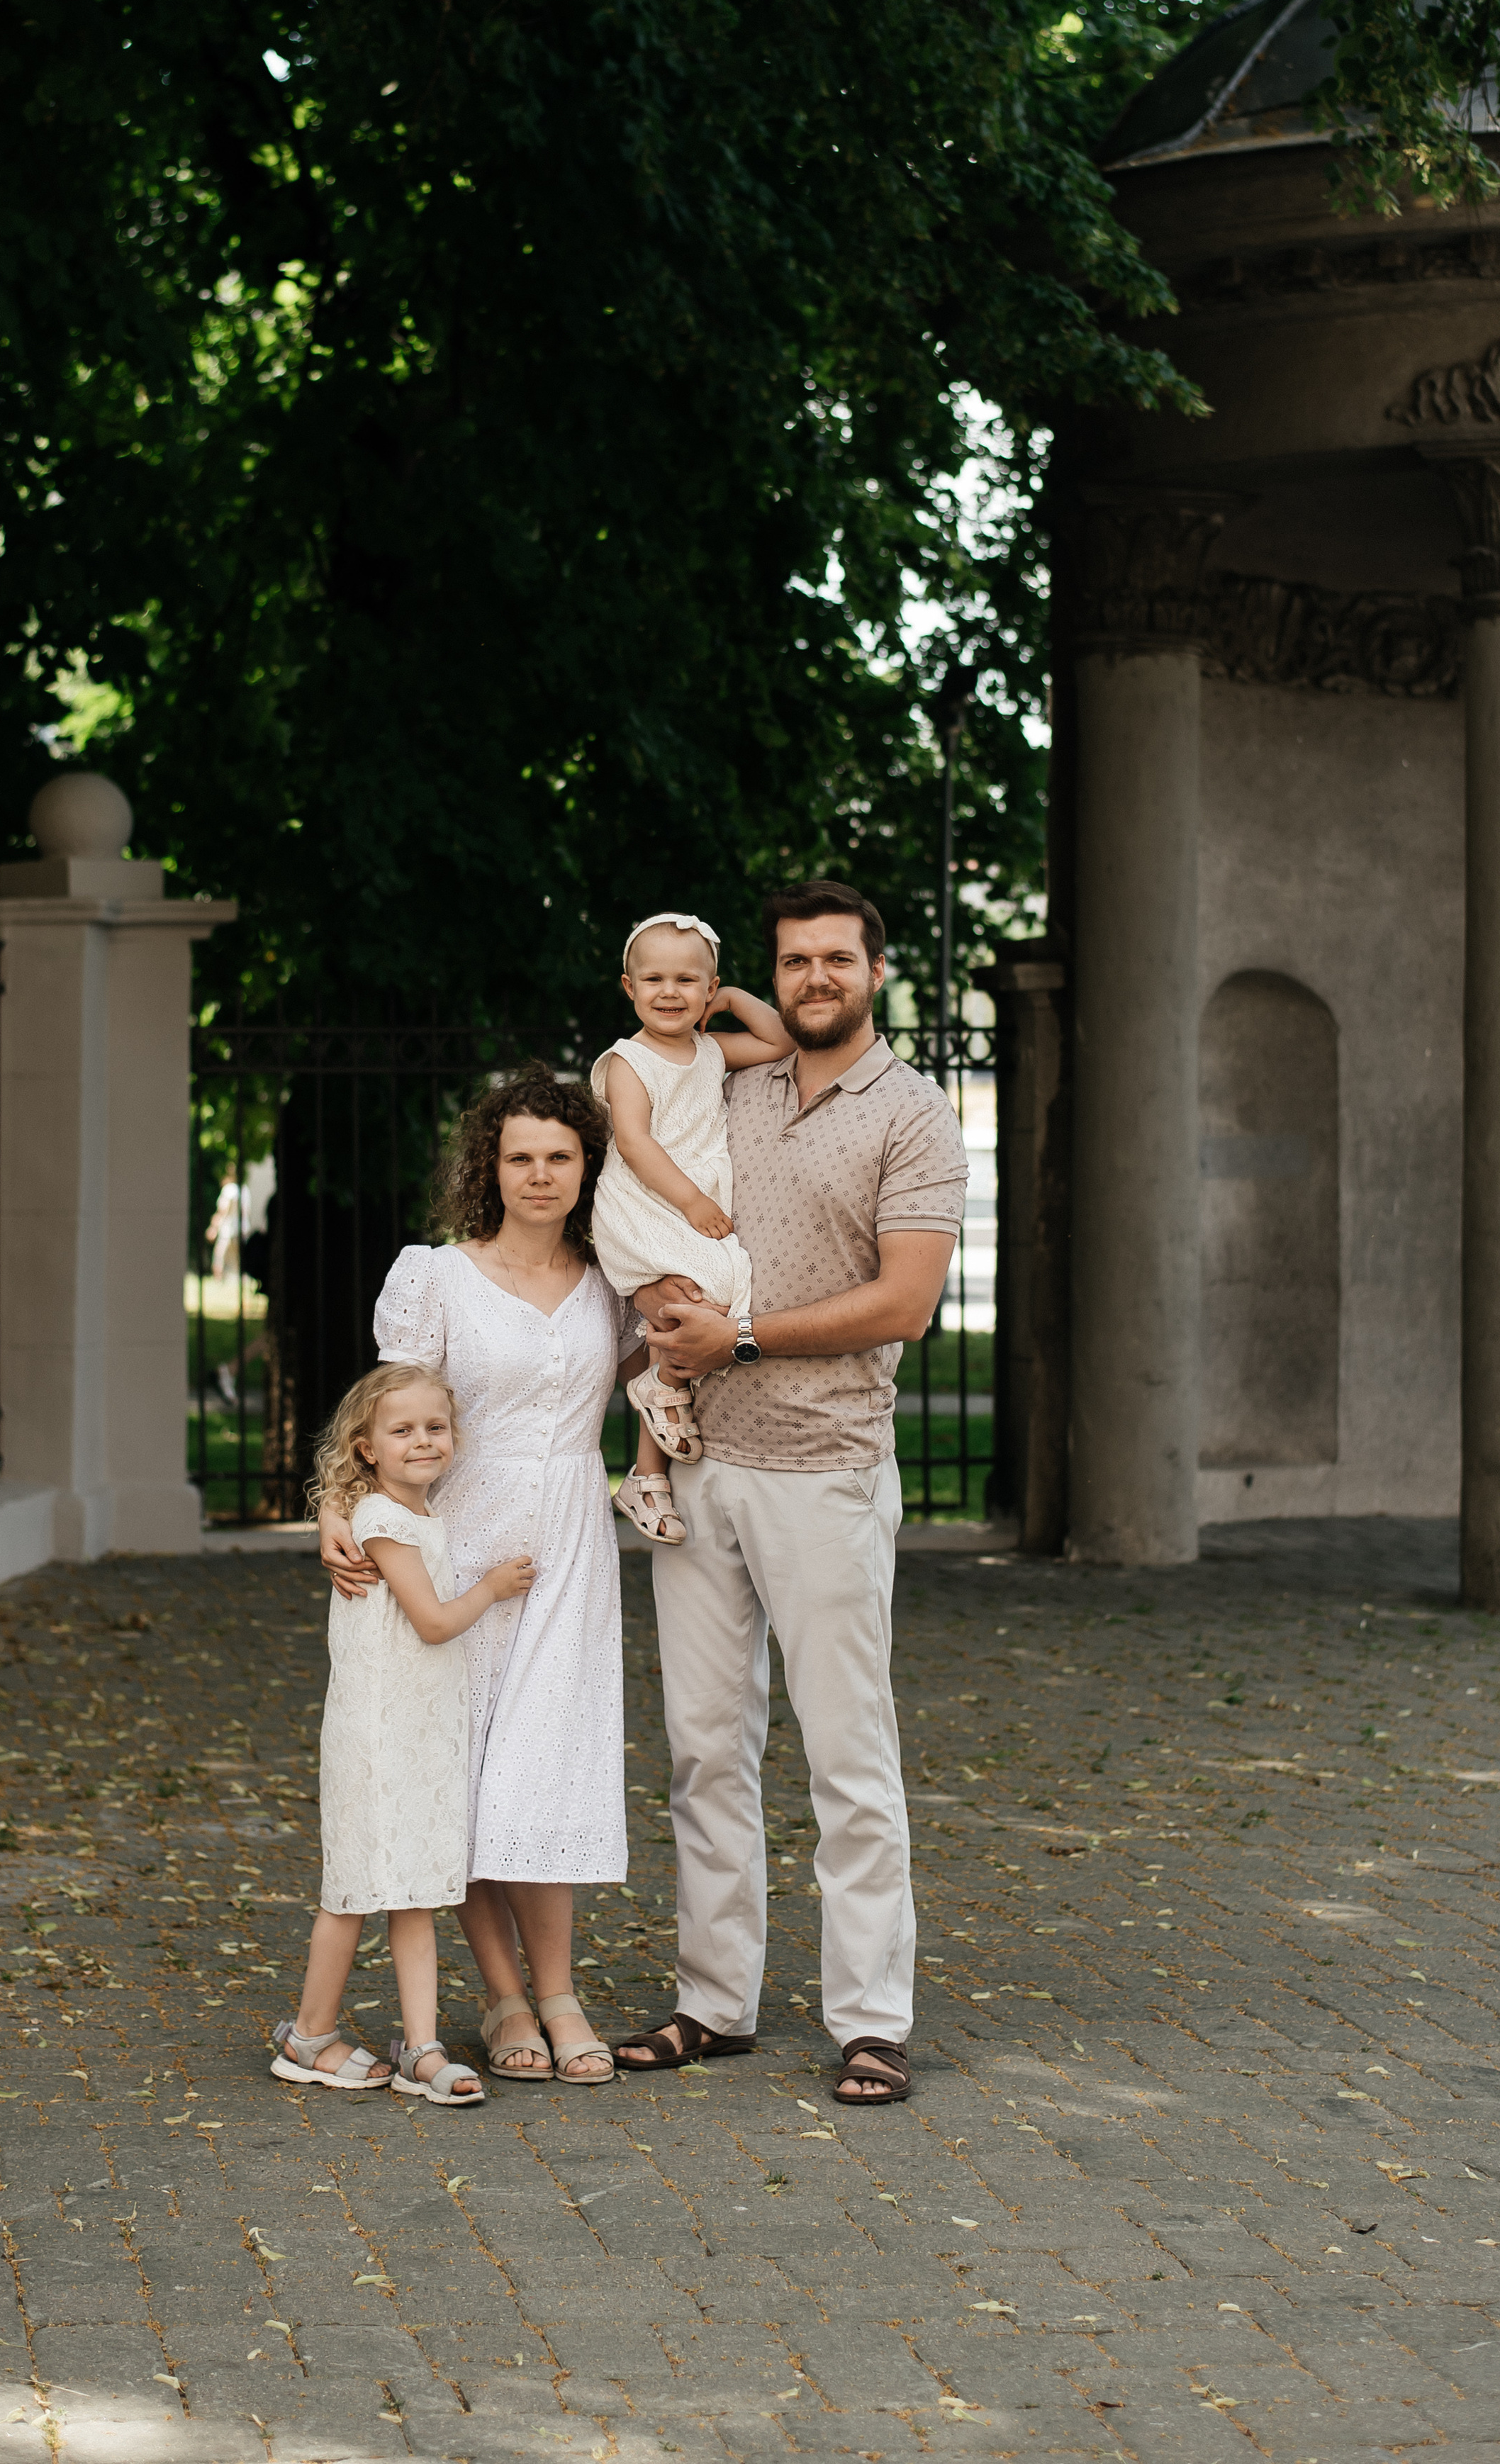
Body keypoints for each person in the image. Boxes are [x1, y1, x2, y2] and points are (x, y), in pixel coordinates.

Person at [611, 880, 966, 2108]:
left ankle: (873, 2020)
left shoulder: (913, 1115)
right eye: (794, 961)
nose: (815, 979)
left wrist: (743, 1338)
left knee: (845, 1753)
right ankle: (715, 2001)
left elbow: (905, 1304)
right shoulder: (731, 1083)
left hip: (824, 1467)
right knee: (704, 1750)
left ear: (876, 969)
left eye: (835, 959)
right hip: (700, 1461)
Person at [318, 1065, 634, 2086]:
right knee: (461, 1775)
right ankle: (505, 1999)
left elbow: (671, 1376)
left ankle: (562, 1994)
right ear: (488, 1168)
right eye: (519, 1156)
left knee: (542, 1770)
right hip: (457, 1545)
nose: (539, 1175)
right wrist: (335, 1509)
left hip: (571, 1545)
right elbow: (383, 1408)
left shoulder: (616, 1277)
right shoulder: (436, 1275)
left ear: (588, 1166)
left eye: (560, 1156)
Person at [272, 1363, 533, 2105]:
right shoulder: (383, 1522)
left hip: (415, 1737)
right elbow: (432, 1620)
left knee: (414, 1891)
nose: (423, 1440)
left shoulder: (413, 1513)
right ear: (366, 1448)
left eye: (435, 1427)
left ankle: (422, 2047)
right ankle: (309, 2035)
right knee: (352, 1891)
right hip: (377, 1742)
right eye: (403, 1430)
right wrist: (492, 1587)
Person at [590, 912, 793, 1546]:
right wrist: (691, 1201)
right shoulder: (629, 1061)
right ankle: (657, 1397)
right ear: (629, 987)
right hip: (645, 1199)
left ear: (709, 989)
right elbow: (634, 1141)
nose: (671, 992)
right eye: (654, 979)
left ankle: (647, 1469)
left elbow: (782, 1041)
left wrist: (732, 1001)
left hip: (683, 1202)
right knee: (702, 1301)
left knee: (718, 1300)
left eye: (689, 980)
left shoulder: (710, 1049)